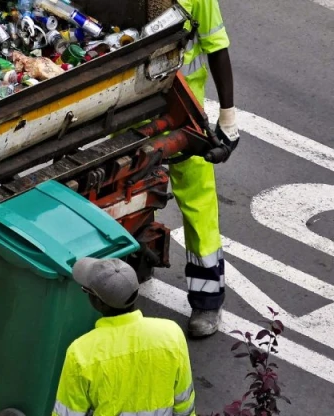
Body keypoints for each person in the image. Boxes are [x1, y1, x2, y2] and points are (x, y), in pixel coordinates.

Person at [151, 0, 239, 337]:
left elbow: (217, 48)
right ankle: (129, 265)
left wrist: (228, 117)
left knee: (198, 205)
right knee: (125, 192)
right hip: (131, 108)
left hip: (182, 115)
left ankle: (207, 301)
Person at [52, 257, 196, 416]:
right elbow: (184, 403)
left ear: (99, 303)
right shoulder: (171, 334)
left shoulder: (80, 353)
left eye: (86, 291)